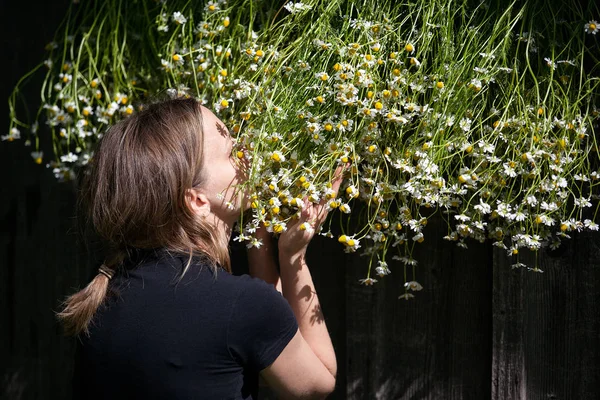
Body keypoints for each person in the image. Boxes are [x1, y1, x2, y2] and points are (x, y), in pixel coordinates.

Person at [57, 97, 341, 399]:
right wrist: (293, 258)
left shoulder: (108, 287)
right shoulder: (242, 305)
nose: (248, 154)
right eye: (231, 152)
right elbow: (318, 382)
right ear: (197, 200)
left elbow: (261, 337)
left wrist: (257, 230)